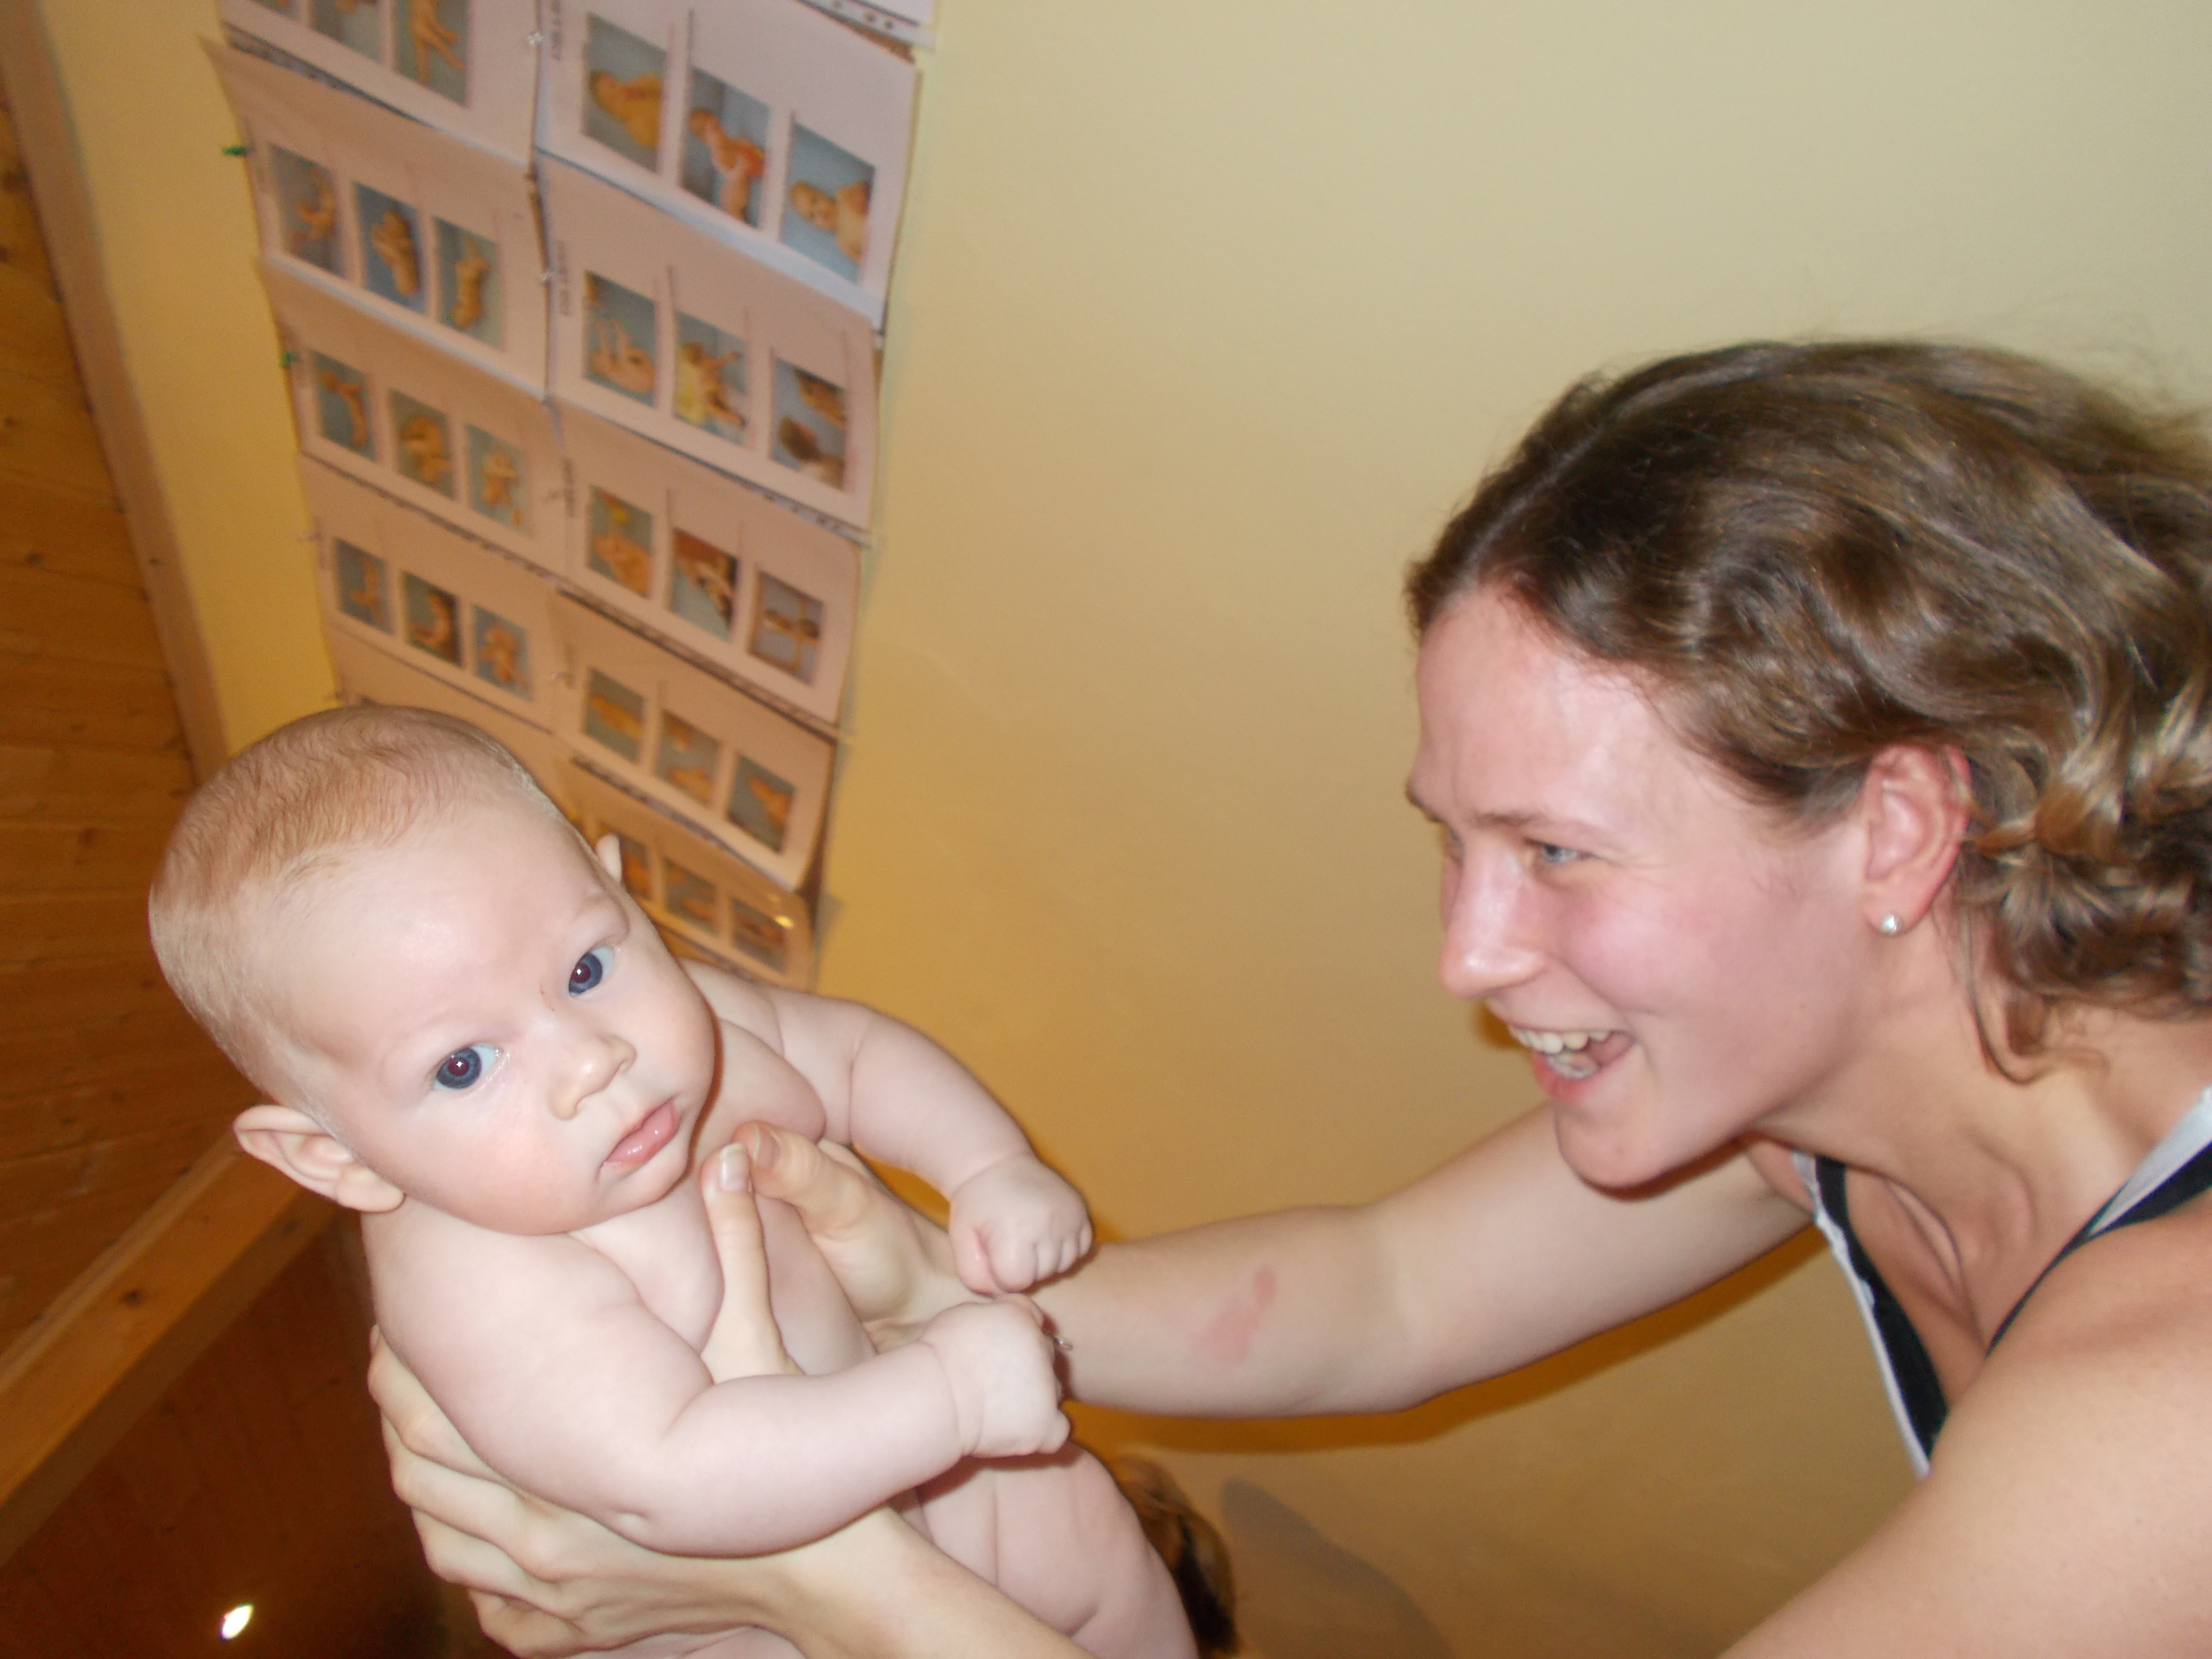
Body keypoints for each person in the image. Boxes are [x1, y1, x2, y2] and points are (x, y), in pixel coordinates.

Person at [376, 340, 2212, 1655]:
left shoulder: (2165, 1412)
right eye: (1453, 842)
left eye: (1555, 851)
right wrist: (919, 1283)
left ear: (1895, 827)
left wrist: (815, 1581)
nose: (1465, 956)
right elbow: (1380, 1293)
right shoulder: (1838, 1097)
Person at [148, 706, 1211, 1659]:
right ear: (336, 1157)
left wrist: (987, 1166)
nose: (589, 1059)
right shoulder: (478, 1276)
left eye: (584, 968)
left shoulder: (700, 1023)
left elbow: (854, 1057)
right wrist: (951, 1396)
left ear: (615, 887)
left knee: (1091, 1532)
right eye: (464, 1065)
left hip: (925, 1462)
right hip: (746, 1613)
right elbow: (670, 1476)